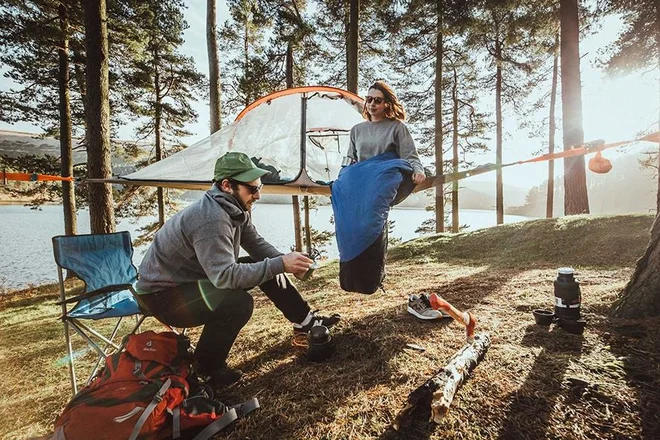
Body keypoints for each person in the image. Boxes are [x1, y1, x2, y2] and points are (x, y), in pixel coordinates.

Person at [135, 152, 340, 388]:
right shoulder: (210, 218)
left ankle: (304, 321)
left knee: (263, 264)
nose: (258, 194)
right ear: (226, 185)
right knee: (238, 302)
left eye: (259, 186)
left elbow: (255, 244)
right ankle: (208, 367)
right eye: (252, 189)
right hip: (164, 296)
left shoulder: (233, 207)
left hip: (193, 282)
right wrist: (281, 263)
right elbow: (224, 277)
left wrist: (287, 262)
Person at [346, 80, 426, 184]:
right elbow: (350, 160)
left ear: (386, 104)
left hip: (386, 181)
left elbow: (410, 156)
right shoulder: (356, 130)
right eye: (369, 99)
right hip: (362, 181)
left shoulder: (397, 127)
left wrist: (418, 171)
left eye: (378, 100)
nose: (372, 104)